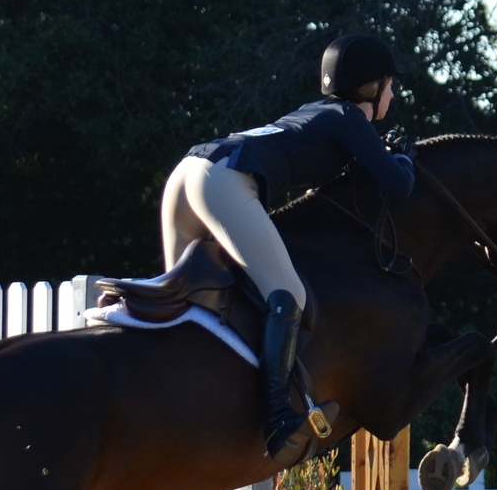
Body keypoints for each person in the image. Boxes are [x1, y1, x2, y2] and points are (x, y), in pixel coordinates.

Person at [162, 33, 416, 459]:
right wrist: (403, 156)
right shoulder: (351, 118)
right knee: (289, 295)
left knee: (187, 306)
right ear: (370, 88)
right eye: (389, 84)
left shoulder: (314, 113)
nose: (393, 93)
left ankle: (182, 403)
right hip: (223, 180)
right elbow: (398, 185)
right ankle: (279, 420)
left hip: (187, 173)